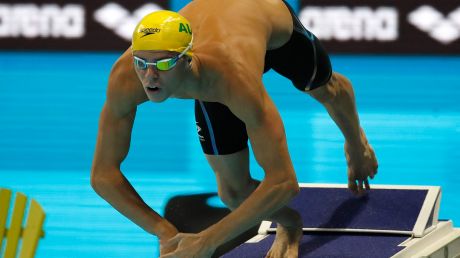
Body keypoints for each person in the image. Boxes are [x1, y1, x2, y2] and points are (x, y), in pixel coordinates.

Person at [90, 0, 378, 257]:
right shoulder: (126, 77)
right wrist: (165, 232)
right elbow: (103, 175)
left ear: (187, 60)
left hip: (265, 20)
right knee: (232, 193)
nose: (150, 76)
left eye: (164, 63)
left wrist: (206, 241)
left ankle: (356, 142)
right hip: (208, 71)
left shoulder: (232, 78)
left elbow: (283, 181)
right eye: (143, 63)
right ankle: (290, 223)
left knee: (325, 89)